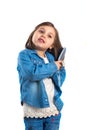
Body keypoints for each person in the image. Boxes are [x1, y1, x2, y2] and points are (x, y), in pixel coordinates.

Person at [17, 21, 66, 130]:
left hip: (53, 110)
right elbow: (32, 74)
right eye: (41, 31)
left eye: (49, 36)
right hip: (33, 112)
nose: (44, 35)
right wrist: (53, 67)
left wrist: (61, 67)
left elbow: (59, 82)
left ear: (51, 45)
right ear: (33, 34)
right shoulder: (24, 55)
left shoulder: (51, 58)